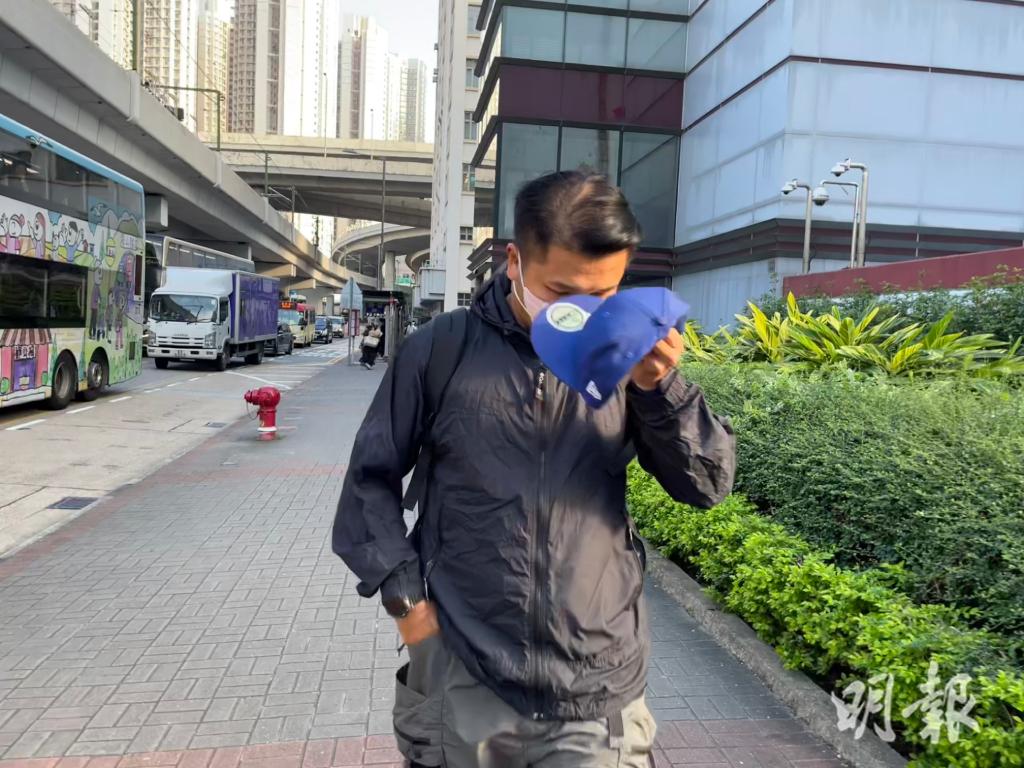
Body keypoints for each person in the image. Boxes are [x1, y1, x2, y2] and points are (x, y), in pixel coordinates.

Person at [332, 171, 735, 767]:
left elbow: (705, 484)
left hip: (598, 678)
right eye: (564, 292)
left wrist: (660, 389)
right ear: (516, 261)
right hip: (466, 669)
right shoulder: (441, 349)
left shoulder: (628, 356)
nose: (587, 314)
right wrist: (409, 606)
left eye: (605, 295)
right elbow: (369, 481)